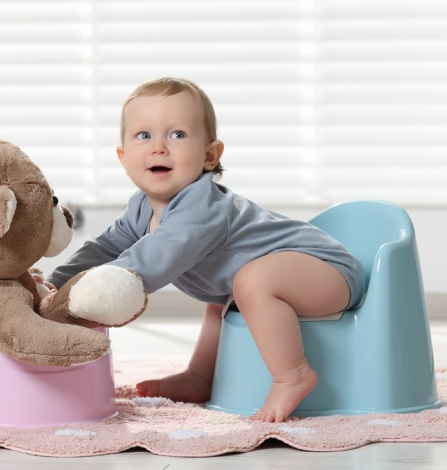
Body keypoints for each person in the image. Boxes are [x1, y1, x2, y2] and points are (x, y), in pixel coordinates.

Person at [45, 77, 365, 423]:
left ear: (209, 155)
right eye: (144, 135)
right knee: (223, 300)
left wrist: (92, 291)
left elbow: (156, 256)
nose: (159, 147)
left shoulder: (200, 207)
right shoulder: (140, 207)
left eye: (177, 134)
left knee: (250, 282)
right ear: (123, 157)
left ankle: (293, 375)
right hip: (292, 276)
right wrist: (57, 283)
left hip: (328, 271)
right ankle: (201, 377)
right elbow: (107, 247)